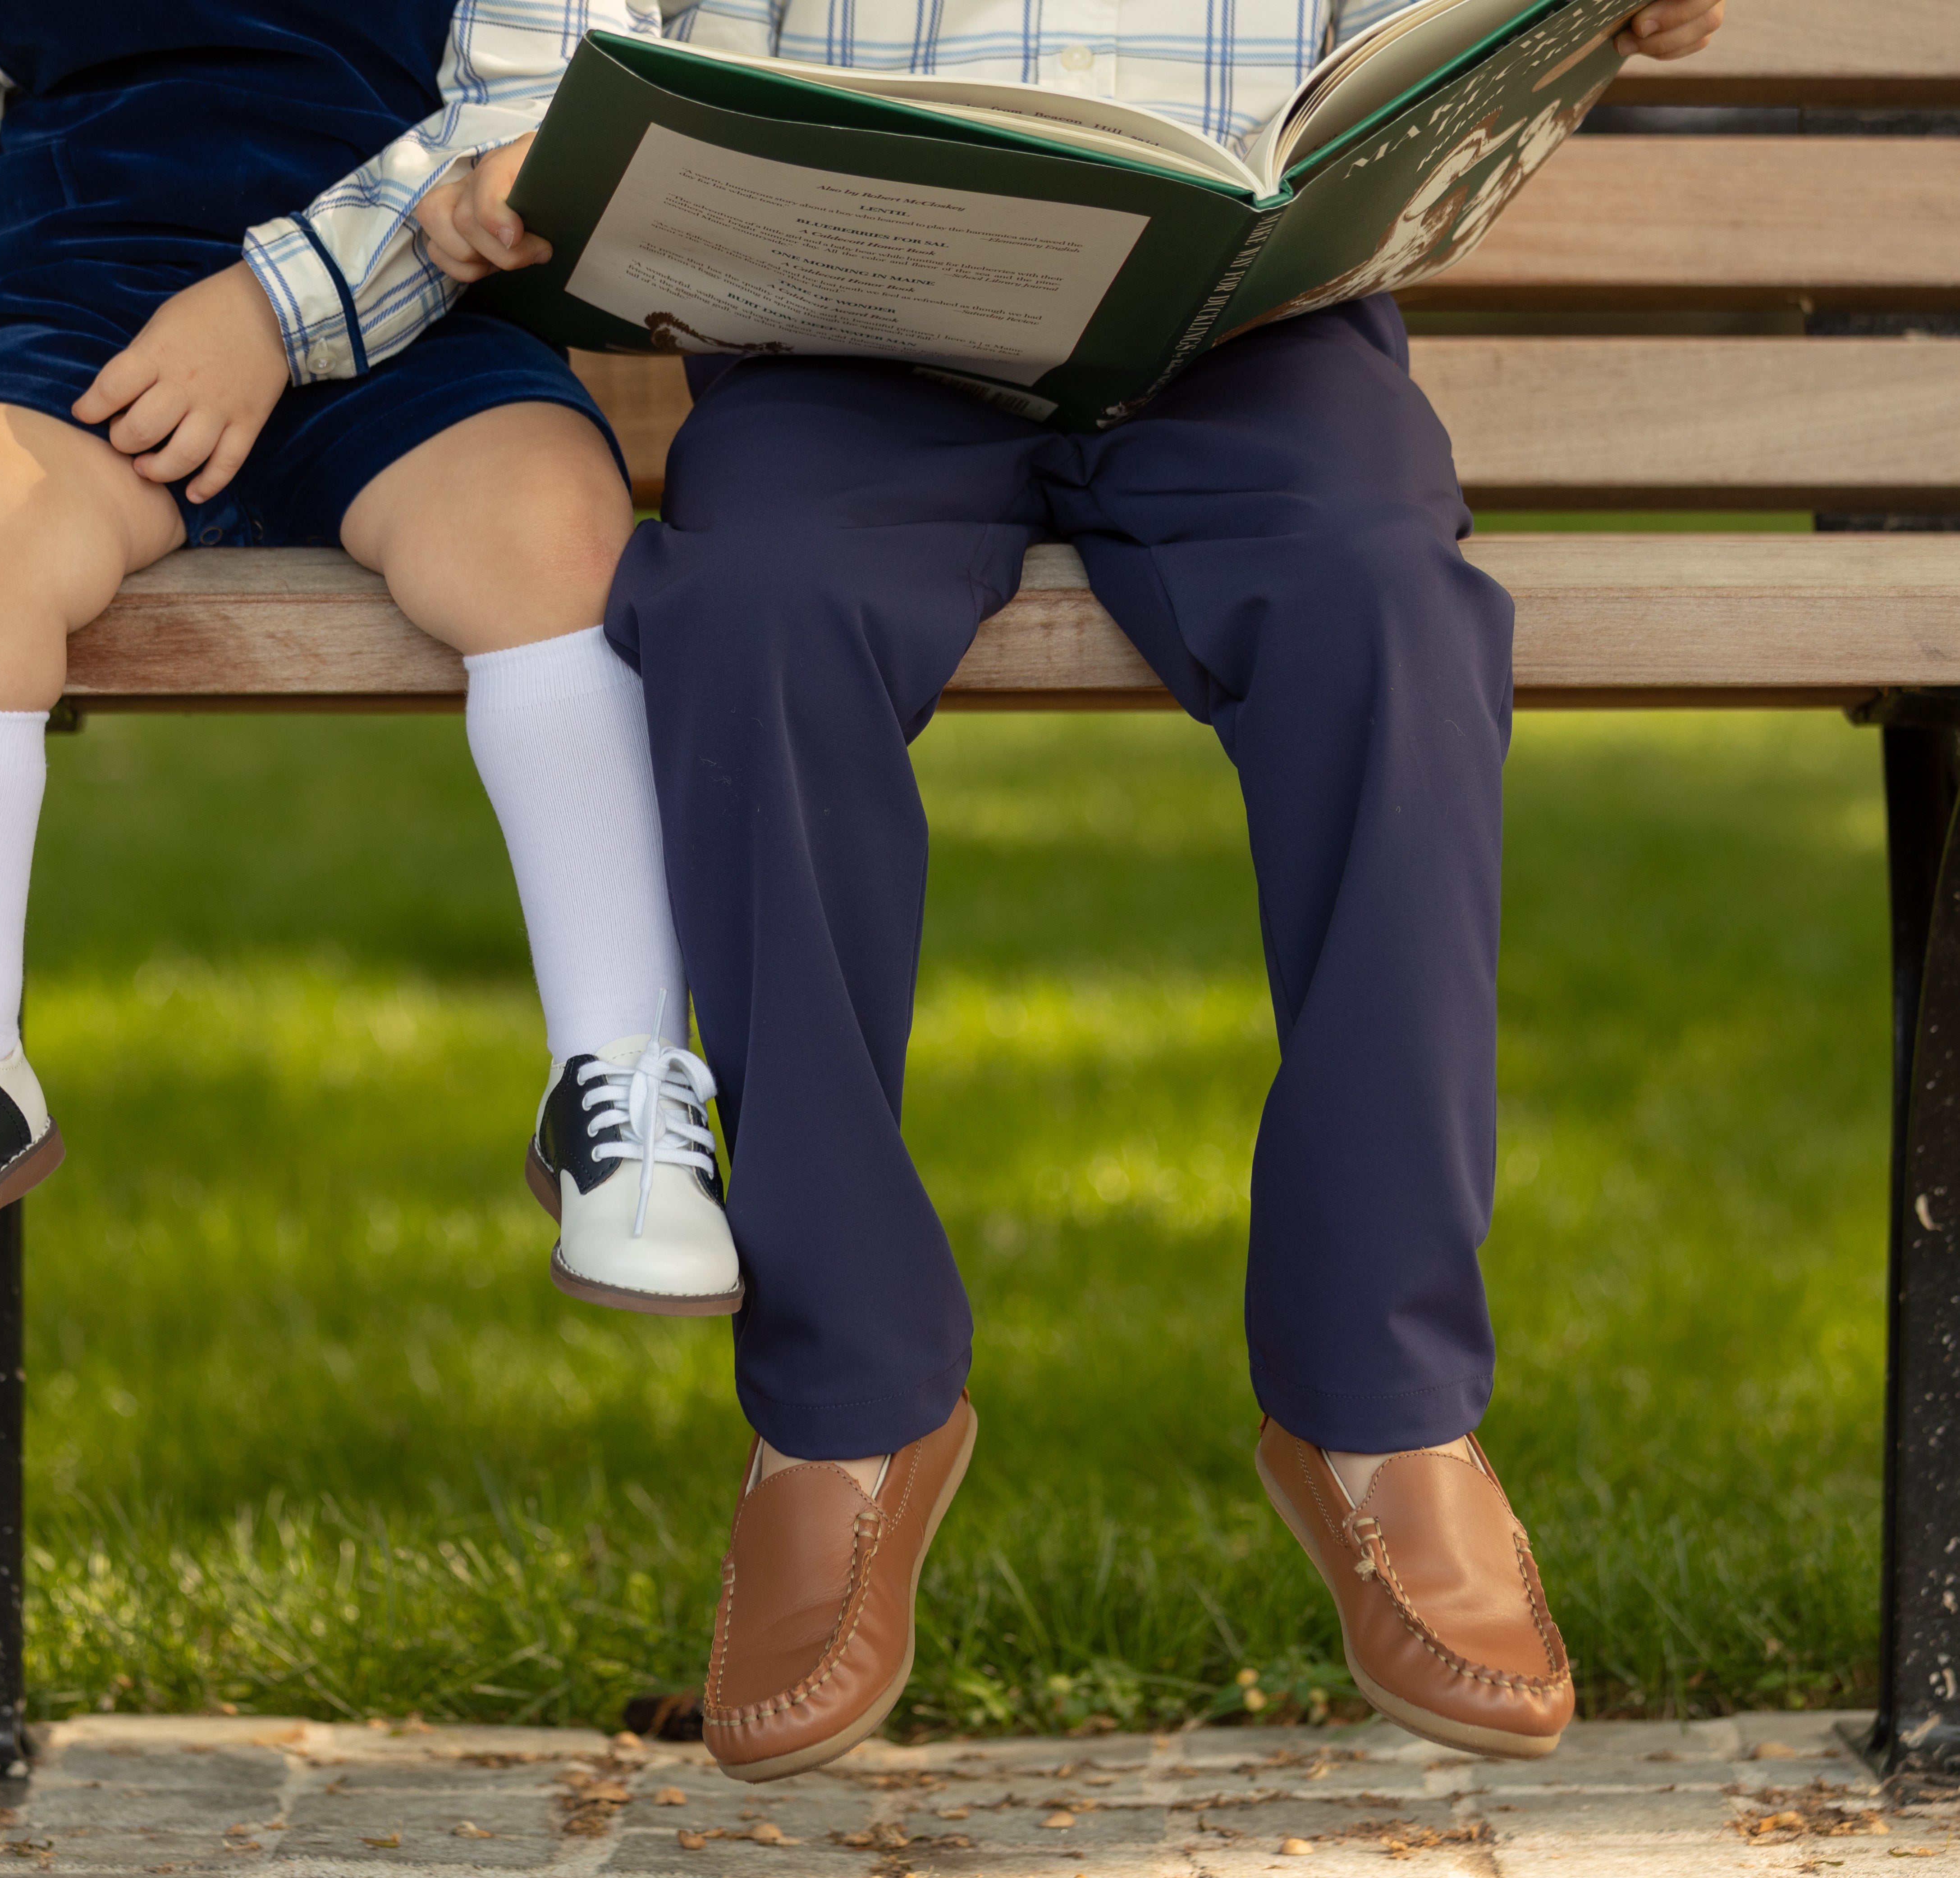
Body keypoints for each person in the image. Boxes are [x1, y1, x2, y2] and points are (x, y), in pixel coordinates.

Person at [422, 0, 1731, 1777]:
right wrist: (515, 137)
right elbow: (542, 50)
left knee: (1389, 620)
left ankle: (1384, 1409)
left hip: (1253, 340)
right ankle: (839, 1412)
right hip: (841, 338)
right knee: (751, 617)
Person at [0, 0, 742, 1321]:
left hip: (420, 306)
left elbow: (531, 117)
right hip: (85, 324)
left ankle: (620, 1076)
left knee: (553, 527)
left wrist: (274, 313)